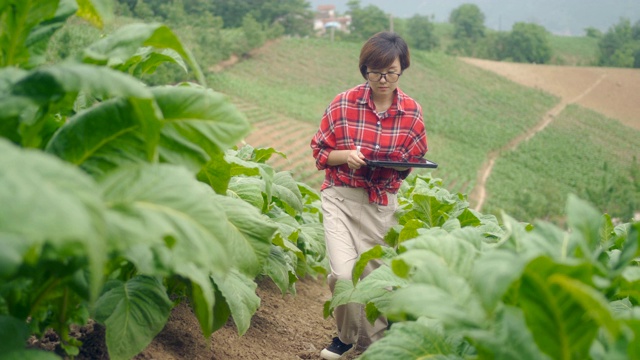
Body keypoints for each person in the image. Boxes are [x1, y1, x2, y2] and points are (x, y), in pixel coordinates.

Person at [310, 31, 428, 359]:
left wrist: (399, 165)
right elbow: (320, 150)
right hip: (341, 198)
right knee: (344, 274)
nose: (383, 79)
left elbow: (413, 160)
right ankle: (346, 337)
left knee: (376, 281)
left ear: (402, 68)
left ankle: (373, 348)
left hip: (381, 206)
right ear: (364, 70)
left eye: (391, 72)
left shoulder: (411, 112)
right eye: (375, 72)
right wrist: (346, 154)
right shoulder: (343, 102)